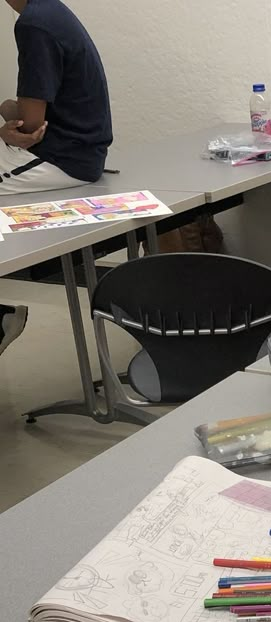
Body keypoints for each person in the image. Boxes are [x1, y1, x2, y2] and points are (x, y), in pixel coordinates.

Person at [0, 0, 112, 356]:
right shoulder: (51, 10)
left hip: (61, 157)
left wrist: (9, 125)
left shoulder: (33, 24)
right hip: (80, 150)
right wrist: (11, 111)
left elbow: (29, 128)